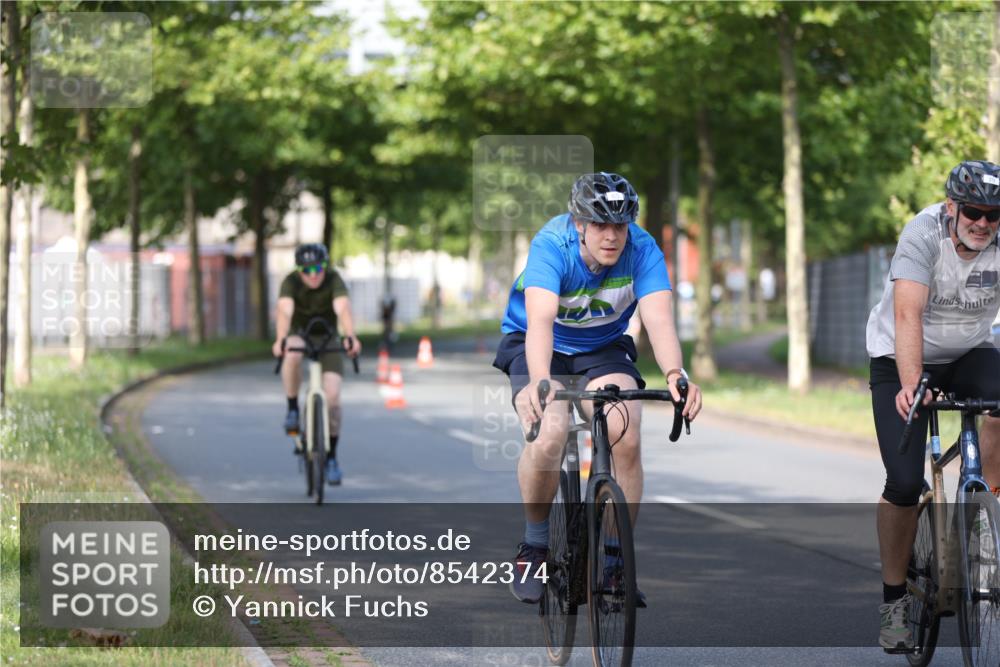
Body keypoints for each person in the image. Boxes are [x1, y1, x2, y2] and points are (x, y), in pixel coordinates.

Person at [492, 171, 703, 604]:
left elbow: (659, 319)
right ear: (579, 224)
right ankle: (533, 546)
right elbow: (541, 324)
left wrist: (675, 374)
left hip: (603, 346)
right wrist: (539, 381)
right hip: (537, 345)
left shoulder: (643, 250)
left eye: (620, 226)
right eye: (601, 225)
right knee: (550, 432)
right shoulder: (550, 246)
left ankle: (612, 561)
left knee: (624, 429)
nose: (611, 236)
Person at [866, 160, 1000, 652]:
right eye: (973, 212)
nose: (983, 223)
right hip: (901, 355)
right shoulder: (922, 234)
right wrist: (910, 384)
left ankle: (981, 507)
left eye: (993, 215)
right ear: (952, 208)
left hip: (968, 351)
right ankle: (894, 600)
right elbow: (907, 314)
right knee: (903, 481)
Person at [273, 243, 361, 485]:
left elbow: (342, 307)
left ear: (325, 266)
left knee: (332, 397)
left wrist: (350, 335)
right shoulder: (291, 281)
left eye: (318, 268)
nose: (313, 275)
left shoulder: (333, 279)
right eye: (307, 270)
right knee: (291, 353)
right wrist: (280, 338)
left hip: (327, 337)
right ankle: (292, 408)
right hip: (298, 333)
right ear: (299, 270)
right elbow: (284, 309)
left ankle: (331, 457)